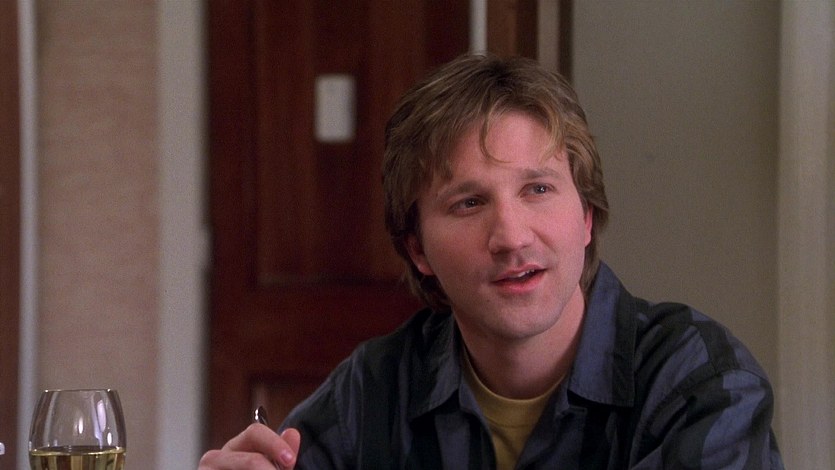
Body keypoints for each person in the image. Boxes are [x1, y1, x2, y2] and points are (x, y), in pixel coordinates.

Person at [199, 54, 784, 469]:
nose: (510, 236)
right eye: (469, 203)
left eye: (538, 189)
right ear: (418, 250)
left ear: (586, 217)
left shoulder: (698, 382)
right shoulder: (375, 390)